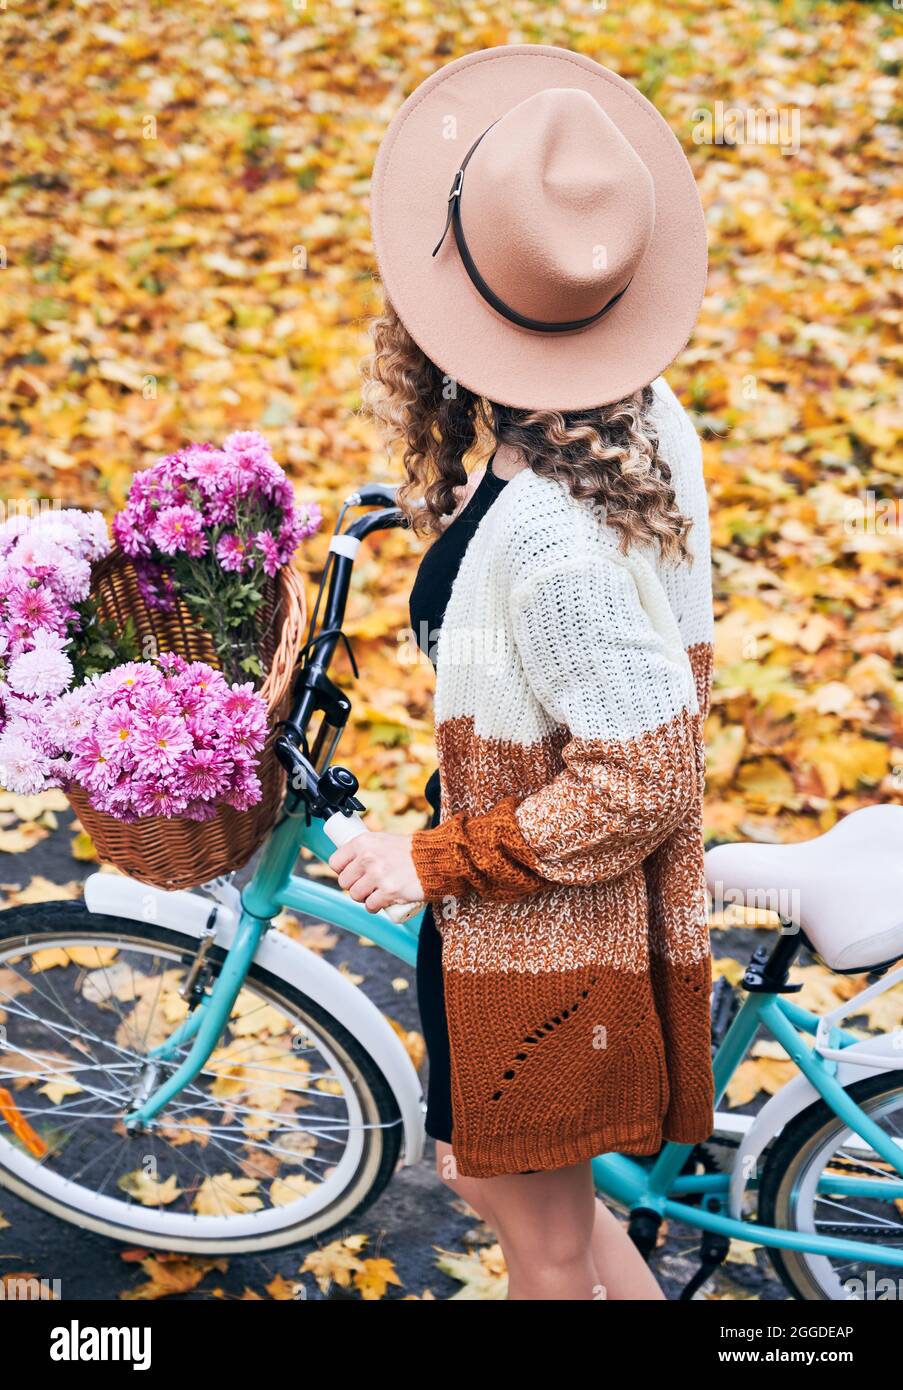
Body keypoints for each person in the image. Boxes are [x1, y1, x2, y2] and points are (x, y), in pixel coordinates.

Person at [328, 43, 714, 1301]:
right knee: (512, 1187)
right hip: (542, 906)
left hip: (548, 927)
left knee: (536, 1234)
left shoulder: (550, 541)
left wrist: (427, 857)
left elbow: (642, 776)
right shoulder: (632, 411)